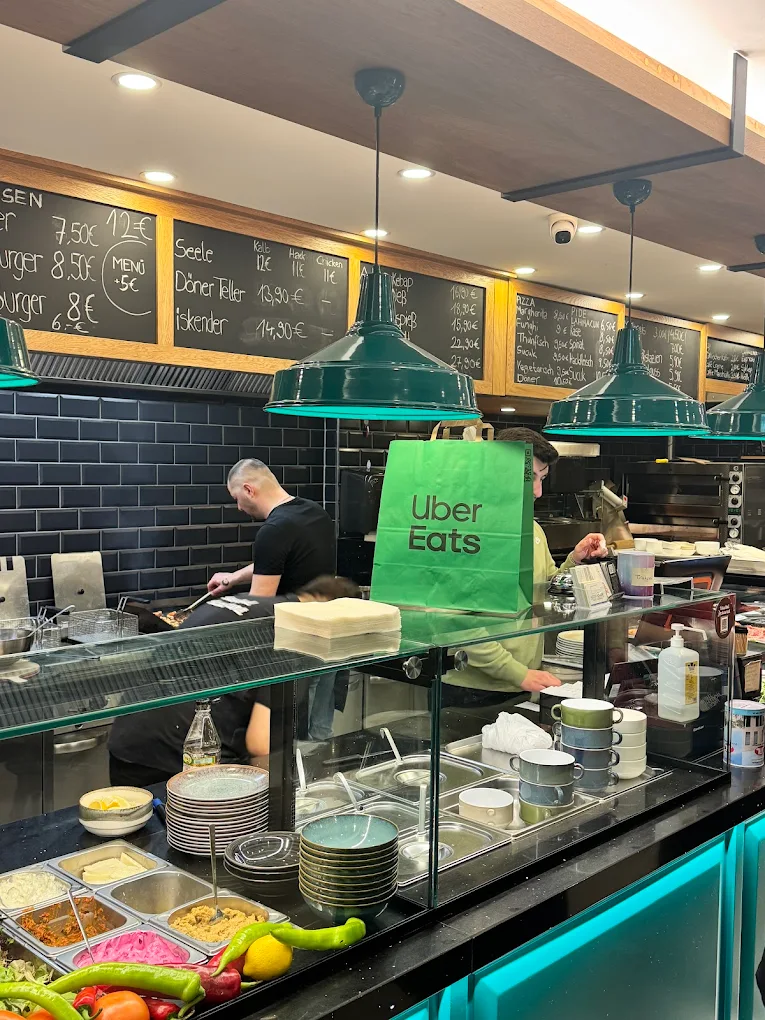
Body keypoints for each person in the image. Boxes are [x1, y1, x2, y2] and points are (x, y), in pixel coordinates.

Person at [108, 575, 361, 787]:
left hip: (128, 745)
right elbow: (261, 745)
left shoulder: (242, 602)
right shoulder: (296, 634)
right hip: (184, 762)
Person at [443, 427, 607, 706]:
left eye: (542, 478)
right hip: (470, 691)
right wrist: (517, 673)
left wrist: (575, 561)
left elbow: (545, 594)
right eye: (529, 477)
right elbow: (458, 622)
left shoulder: (532, 531)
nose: (538, 492)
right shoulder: (467, 532)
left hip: (521, 684)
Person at [207, 459, 335, 597]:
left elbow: (260, 603)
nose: (239, 507)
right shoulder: (317, 512)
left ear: (248, 490)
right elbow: (276, 562)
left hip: (291, 617)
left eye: (236, 498)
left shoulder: (273, 530)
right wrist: (232, 578)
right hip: (324, 614)